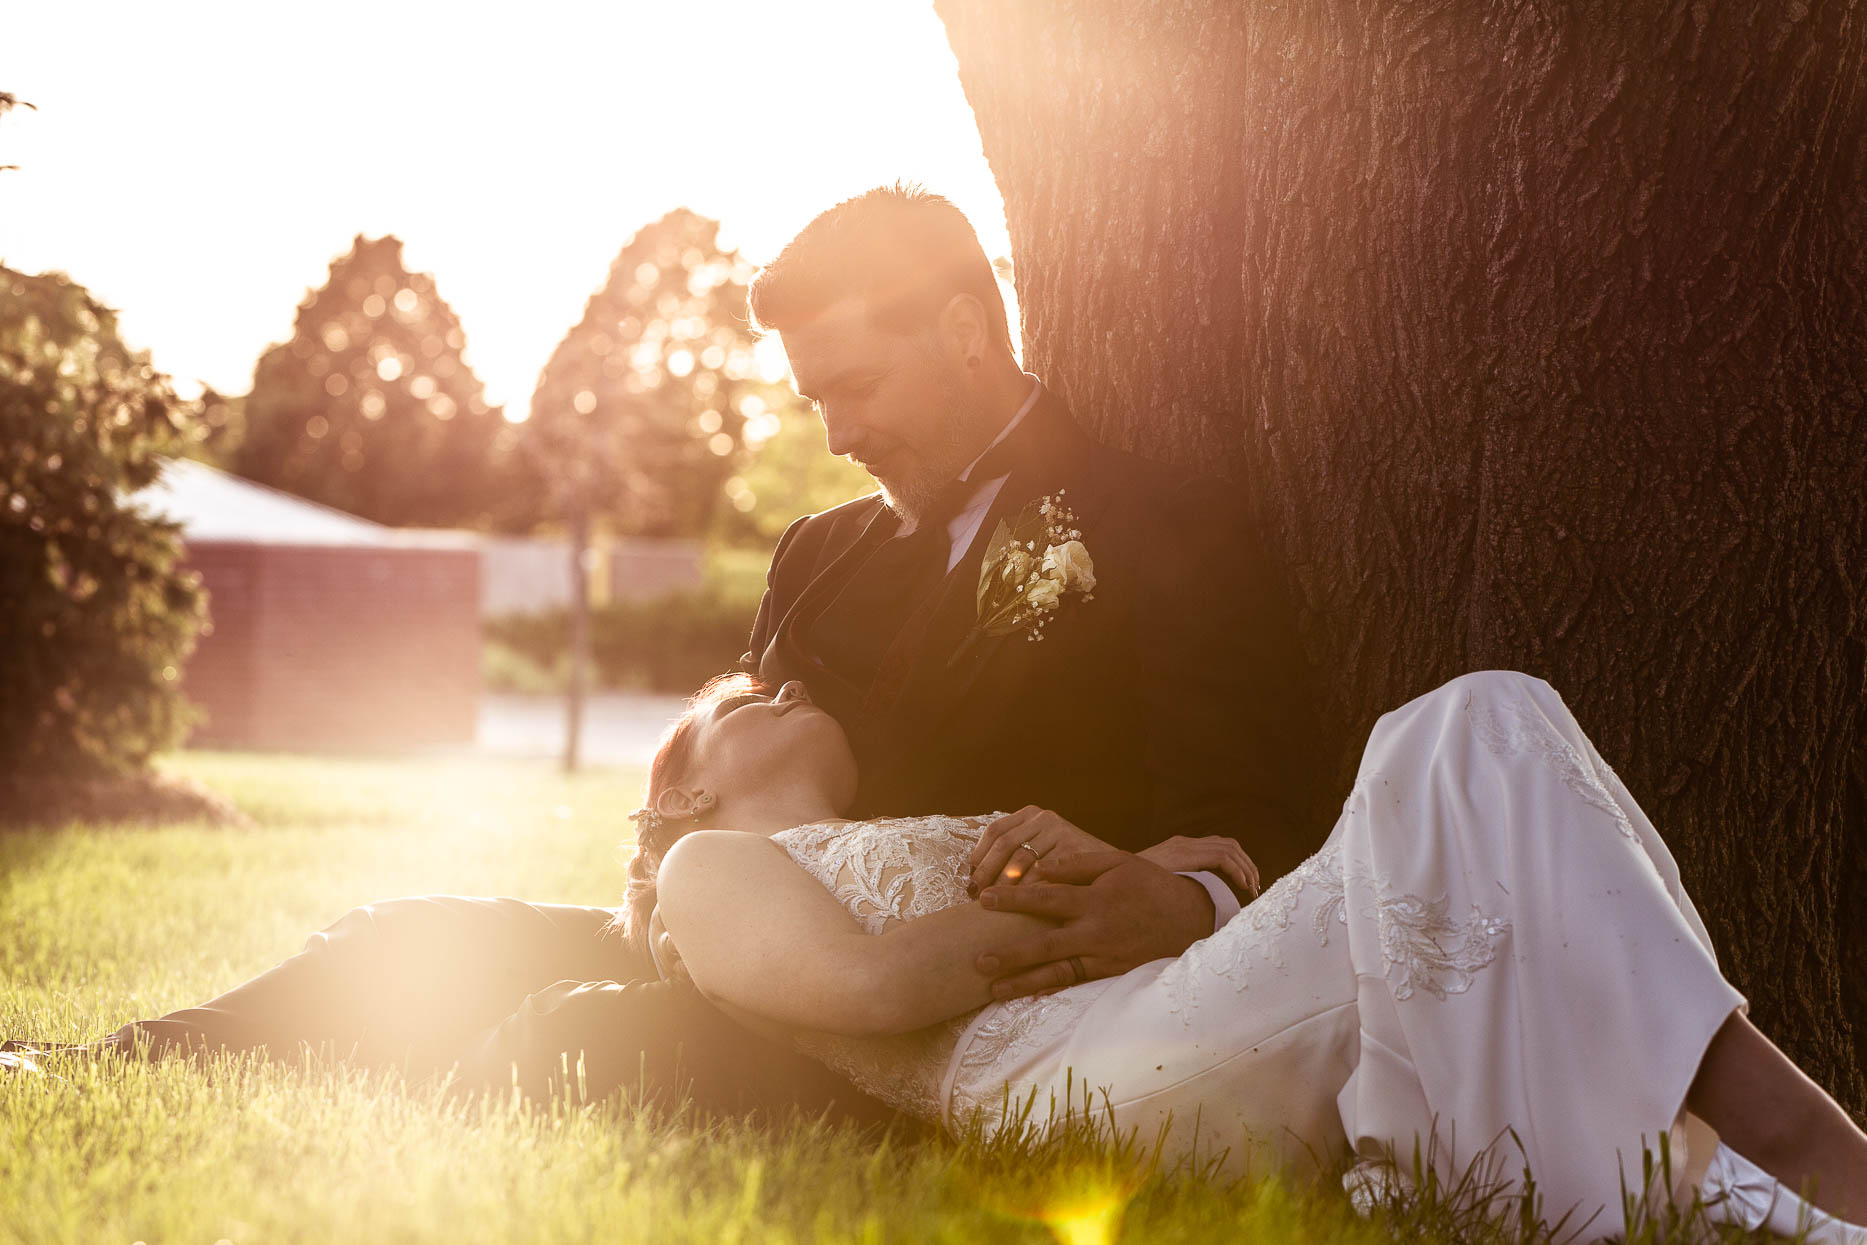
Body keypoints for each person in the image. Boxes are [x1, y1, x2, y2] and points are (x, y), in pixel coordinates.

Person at [628, 669, 1867, 1240]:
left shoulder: (890, 837)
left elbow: (1170, 903)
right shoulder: (706, 871)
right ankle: (1782, 1150)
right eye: (741, 702)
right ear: (681, 796)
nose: (783, 685)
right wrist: (1134, 891)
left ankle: (1708, 1164)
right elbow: (878, 987)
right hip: (1057, 1083)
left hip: (1159, 1005)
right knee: (1456, 734)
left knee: (1488, 721)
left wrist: (1163, 888)